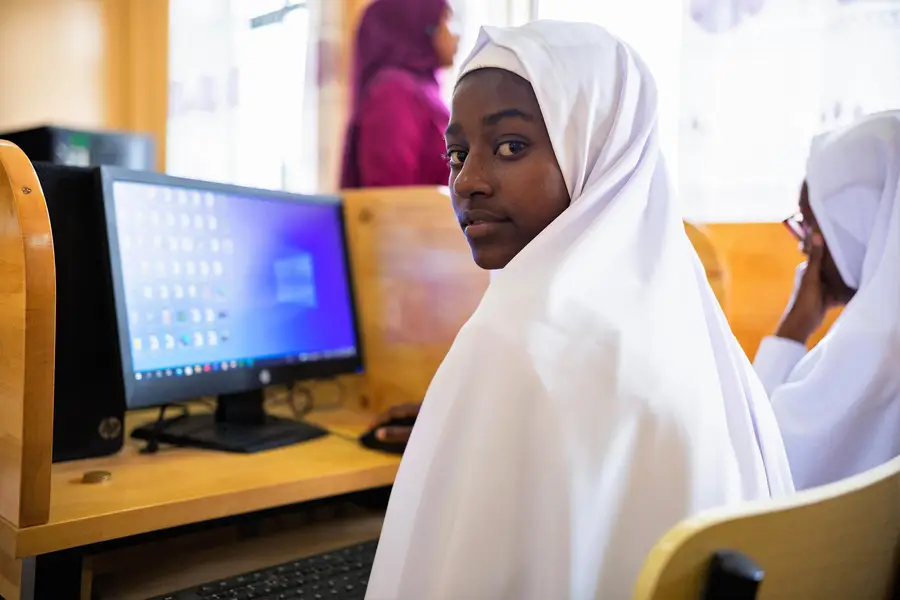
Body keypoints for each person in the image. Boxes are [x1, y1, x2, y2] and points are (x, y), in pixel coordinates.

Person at [365, 21, 793, 600]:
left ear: (600, 153)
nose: (467, 182)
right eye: (456, 154)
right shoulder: (694, 327)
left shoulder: (515, 338)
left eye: (511, 146)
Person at [754, 111, 900, 491]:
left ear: (863, 221)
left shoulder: (875, 345)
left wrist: (792, 329)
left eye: (810, 225)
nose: (805, 247)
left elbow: (754, 459)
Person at [339, 0, 459, 189]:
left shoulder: (425, 95)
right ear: (421, 26)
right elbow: (390, 195)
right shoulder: (393, 94)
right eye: (446, 21)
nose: (456, 36)